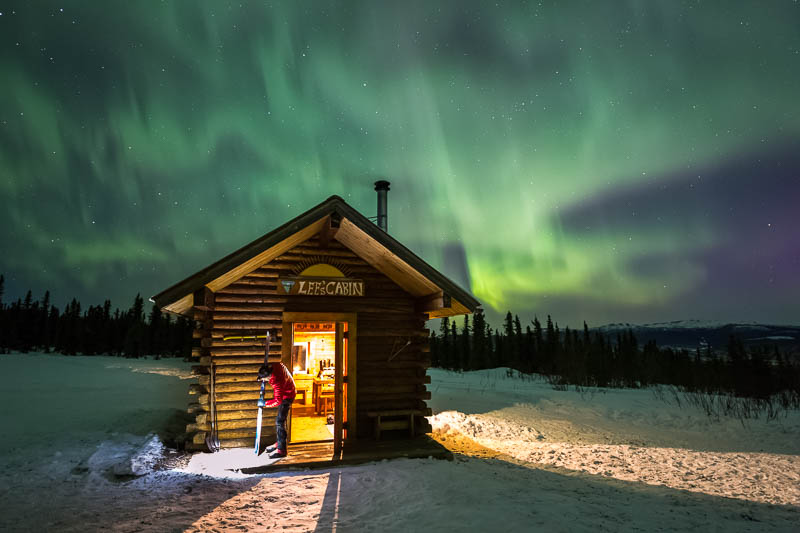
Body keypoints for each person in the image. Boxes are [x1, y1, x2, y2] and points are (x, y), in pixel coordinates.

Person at [257, 362, 296, 458]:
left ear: (269, 376)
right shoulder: (276, 365)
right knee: (279, 421)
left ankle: (281, 450)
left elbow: (278, 401)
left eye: (264, 379)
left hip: (288, 396)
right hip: (288, 389)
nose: (264, 381)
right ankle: (279, 443)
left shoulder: (277, 382)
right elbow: (281, 364)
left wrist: (265, 404)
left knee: (279, 422)